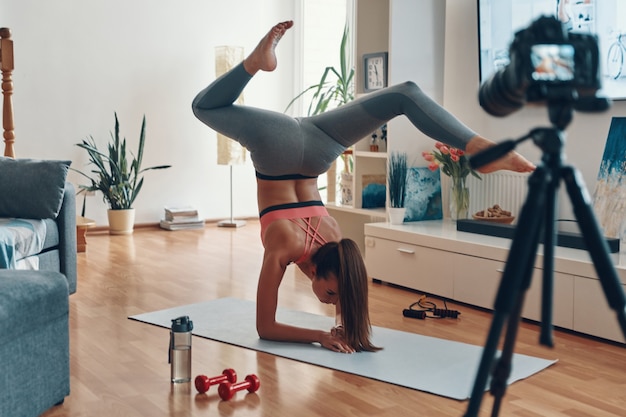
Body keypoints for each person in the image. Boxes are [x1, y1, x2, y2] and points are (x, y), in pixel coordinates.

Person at [192, 20, 535, 354]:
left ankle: (476, 146)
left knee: (404, 95)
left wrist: (339, 325)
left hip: (314, 144)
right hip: (282, 148)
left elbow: (278, 320)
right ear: (317, 271)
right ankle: (253, 63)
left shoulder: (336, 238)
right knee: (203, 107)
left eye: (332, 298)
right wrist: (321, 335)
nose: (331, 302)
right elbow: (266, 328)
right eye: (333, 296)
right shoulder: (288, 245)